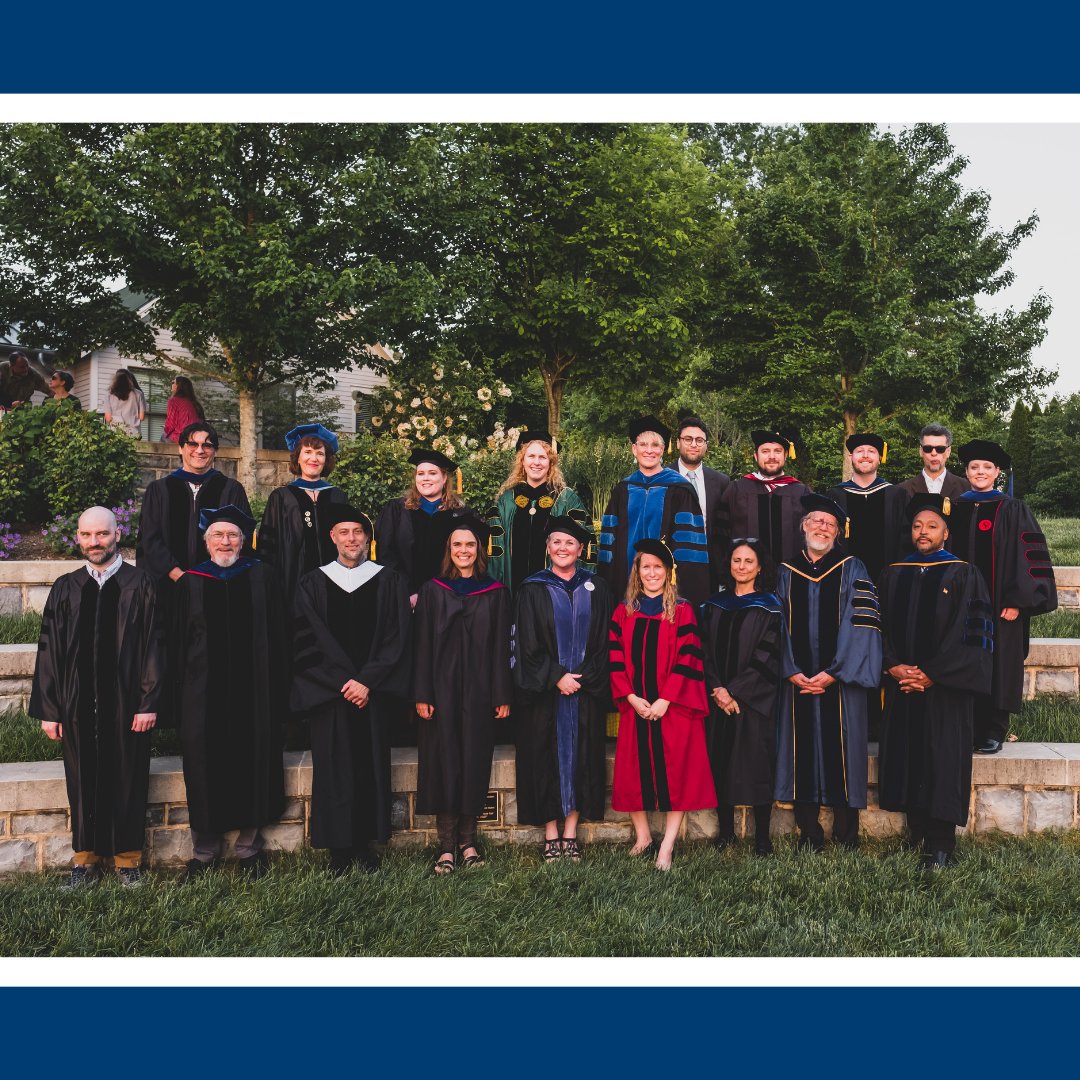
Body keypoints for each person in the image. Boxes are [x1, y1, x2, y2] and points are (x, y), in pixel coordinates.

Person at [29, 507, 162, 887]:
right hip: (76, 705)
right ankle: (84, 860)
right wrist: (49, 709)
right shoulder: (65, 587)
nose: (94, 542)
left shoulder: (141, 583)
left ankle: (127, 859)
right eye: (87, 535)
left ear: (117, 534)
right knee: (82, 779)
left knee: (128, 776)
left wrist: (148, 701)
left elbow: (155, 646)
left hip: (128, 705)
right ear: (77, 537)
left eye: (101, 534)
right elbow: (49, 651)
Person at [290, 505, 412, 875]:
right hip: (332, 696)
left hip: (370, 695)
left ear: (367, 538)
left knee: (369, 767)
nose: (351, 539)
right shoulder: (312, 583)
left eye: (358, 532)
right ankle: (339, 852)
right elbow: (307, 640)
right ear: (332, 538)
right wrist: (343, 682)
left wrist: (367, 680)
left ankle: (364, 847)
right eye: (344, 532)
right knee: (334, 770)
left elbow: (398, 637)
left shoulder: (389, 580)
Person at [877, 494, 994, 869]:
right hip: (901, 683)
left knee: (941, 757)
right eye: (916, 526)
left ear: (945, 532)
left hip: (945, 689)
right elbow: (876, 628)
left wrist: (933, 674)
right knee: (909, 753)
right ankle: (916, 833)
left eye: (931, 526)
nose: (922, 532)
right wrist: (893, 666)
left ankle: (940, 844)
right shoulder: (894, 571)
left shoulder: (963, 572)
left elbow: (973, 635)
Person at [172, 505, 287, 880]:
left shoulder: (264, 577)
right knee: (204, 765)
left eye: (233, 535)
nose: (226, 542)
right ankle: (204, 852)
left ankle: (249, 849)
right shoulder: (190, 581)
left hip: (255, 693)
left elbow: (281, 632)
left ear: (243, 541)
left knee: (252, 761)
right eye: (218, 535)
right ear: (206, 542)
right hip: (202, 695)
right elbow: (174, 643)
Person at [774, 494, 882, 851]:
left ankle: (847, 832)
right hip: (797, 683)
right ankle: (809, 832)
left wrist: (835, 672)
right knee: (799, 749)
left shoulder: (854, 568)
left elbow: (863, 623)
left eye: (830, 524)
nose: (822, 527)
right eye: (816, 521)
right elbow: (775, 628)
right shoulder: (785, 571)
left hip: (841, 681)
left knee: (844, 750)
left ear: (838, 532)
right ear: (804, 526)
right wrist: (790, 669)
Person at [413, 512, 512, 874]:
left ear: (479, 549)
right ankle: (445, 846)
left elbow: (502, 648)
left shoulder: (497, 593)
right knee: (443, 762)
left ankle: (468, 841)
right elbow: (420, 646)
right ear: (449, 549)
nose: (464, 550)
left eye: (470, 544)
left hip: (481, 692)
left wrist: (502, 694)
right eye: (457, 545)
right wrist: (422, 693)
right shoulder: (432, 591)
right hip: (439, 692)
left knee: (474, 761)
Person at [512, 516, 615, 861]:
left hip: (584, 692)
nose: (562, 548)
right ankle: (551, 832)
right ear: (547, 548)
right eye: (556, 542)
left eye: (570, 543)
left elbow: (603, 643)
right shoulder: (532, 588)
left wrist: (582, 677)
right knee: (544, 757)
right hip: (546, 694)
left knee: (582, 757)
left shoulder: (597, 588)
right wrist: (556, 676)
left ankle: (571, 830)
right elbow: (525, 643)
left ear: (581, 549)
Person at [609, 539, 715, 871]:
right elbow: (614, 658)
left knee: (677, 774)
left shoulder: (681, 610)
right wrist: (630, 696)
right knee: (631, 773)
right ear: (636, 572)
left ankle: (666, 845)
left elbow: (688, 659)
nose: (652, 573)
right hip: (636, 706)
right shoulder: (623, 611)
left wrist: (665, 700)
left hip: (674, 707)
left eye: (658, 567)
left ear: (668, 572)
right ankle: (643, 836)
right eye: (646, 567)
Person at [947, 439, 1057, 754]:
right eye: (973, 467)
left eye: (986, 467)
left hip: (1001, 606)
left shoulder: (1013, 508)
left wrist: (1018, 601)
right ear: (966, 471)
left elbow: (1029, 555)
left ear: (997, 472)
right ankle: (965, 726)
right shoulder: (955, 507)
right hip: (961, 605)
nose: (980, 472)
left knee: (999, 662)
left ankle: (994, 728)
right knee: (964, 657)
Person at [698, 539, 784, 856]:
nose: (742, 567)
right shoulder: (713, 606)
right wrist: (718, 689)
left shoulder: (771, 607)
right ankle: (726, 833)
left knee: (757, 765)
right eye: (737, 560)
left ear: (760, 567)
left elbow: (769, 655)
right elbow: (703, 651)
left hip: (753, 700)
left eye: (749, 561)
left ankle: (763, 837)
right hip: (718, 698)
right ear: (729, 565)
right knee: (720, 763)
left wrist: (735, 690)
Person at [597, 414, 710, 605]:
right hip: (624, 585)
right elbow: (609, 546)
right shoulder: (622, 490)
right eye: (643, 445)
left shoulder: (680, 490)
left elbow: (690, 550)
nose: (649, 450)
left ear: (663, 449)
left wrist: (680, 592)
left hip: (667, 591)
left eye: (655, 445)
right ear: (634, 449)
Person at [136, 421, 252, 589]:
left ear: (215, 451)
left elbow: (243, 537)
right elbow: (149, 539)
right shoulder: (159, 490)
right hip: (169, 587)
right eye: (192, 444)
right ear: (180, 448)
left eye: (207, 445)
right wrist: (178, 576)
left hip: (218, 585)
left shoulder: (231, 489)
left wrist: (214, 575)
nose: (199, 450)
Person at [486, 431, 591, 594]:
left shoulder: (565, 499)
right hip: (513, 592)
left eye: (542, 457)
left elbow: (583, 549)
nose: (536, 462)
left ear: (551, 462)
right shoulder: (506, 501)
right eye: (531, 456)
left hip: (556, 594)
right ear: (522, 461)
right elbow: (495, 554)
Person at [257, 423, 348, 610]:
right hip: (290, 584)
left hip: (334, 583)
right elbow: (267, 548)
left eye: (320, 453)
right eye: (307, 452)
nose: (313, 458)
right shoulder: (280, 497)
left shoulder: (338, 496)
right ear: (297, 457)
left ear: (326, 460)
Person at [375, 447, 466, 610]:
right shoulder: (396, 510)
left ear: (444, 478)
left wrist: (446, 592)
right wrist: (408, 591)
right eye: (420, 473)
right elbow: (385, 554)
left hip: (449, 599)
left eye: (432, 473)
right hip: (404, 599)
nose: (425, 478)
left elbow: (465, 556)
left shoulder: (460, 514)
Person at [716, 430, 808, 566]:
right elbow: (720, 537)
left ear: (786, 455)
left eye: (777, 451)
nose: (772, 456)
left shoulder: (802, 493)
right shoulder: (736, 490)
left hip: (790, 578)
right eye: (765, 451)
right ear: (755, 456)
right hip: (746, 579)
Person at [826, 433, 907, 581]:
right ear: (851, 457)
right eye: (859, 451)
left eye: (871, 451)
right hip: (843, 581)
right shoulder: (834, 495)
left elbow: (904, 541)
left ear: (880, 458)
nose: (865, 455)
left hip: (888, 581)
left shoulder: (897, 496)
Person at [673, 416, 730, 590]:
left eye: (699, 440)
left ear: (706, 445)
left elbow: (725, 530)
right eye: (688, 439)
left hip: (709, 568)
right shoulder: (663, 478)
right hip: (672, 567)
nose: (694, 444)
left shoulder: (721, 482)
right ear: (678, 443)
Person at [898, 423, 970, 499]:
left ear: (948, 451)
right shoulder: (903, 490)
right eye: (928, 449)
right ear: (921, 451)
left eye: (940, 449)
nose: (934, 453)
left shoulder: (965, 488)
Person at [104, 368, 147, 438]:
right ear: (130, 379)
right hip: (134, 433)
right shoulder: (138, 394)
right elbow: (141, 417)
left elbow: (108, 418)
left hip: (116, 434)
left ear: (115, 380)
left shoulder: (109, 395)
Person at [163, 375, 205, 443]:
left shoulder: (173, 401)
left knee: (164, 437)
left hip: (183, 436)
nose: (172, 384)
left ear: (178, 386)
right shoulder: (194, 402)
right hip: (198, 436)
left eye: (173, 382)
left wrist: (165, 428)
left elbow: (171, 423)